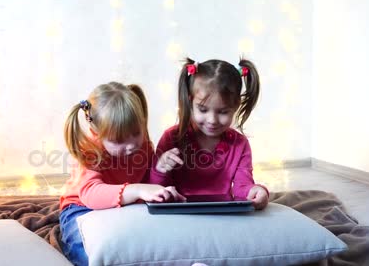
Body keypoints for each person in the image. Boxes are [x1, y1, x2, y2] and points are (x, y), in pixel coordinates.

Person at [59, 82, 185, 266]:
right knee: (93, 250)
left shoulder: (143, 147)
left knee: (149, 244)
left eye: (136, 133)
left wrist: (159, 172)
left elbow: (147, 183)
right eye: (118, 140)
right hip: (80, 208)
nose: (132, 144)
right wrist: (138, 190)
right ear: (97, 132)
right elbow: (91, 194)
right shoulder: (91, 151)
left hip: (122, 208)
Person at [150, 58, 269, 210]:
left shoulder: (240, 145)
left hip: (223, 215)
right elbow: (155, 191)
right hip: (179, 215)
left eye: (223, 112)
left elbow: (242, 188)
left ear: (236, 106)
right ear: (190, 101)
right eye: (203, 110)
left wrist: (256, 191)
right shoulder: (172, 138)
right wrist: (160, 169)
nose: (212, 120)